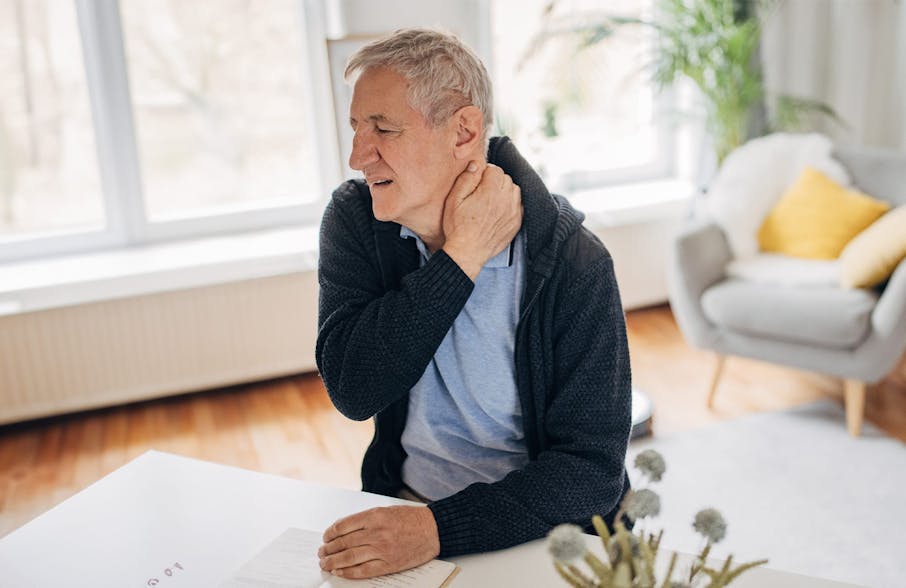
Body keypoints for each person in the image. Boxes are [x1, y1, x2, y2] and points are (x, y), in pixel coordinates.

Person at [315, 27, 632, 579]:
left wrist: (439, 528)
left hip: (542, 534)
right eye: (356, 128)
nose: (357, 156)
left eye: (383, 129)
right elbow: (354, 389)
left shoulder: (574, 262)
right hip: (408, 507)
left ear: (463, 132)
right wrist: (459, 257)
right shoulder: (356, 220)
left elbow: (591, 471)